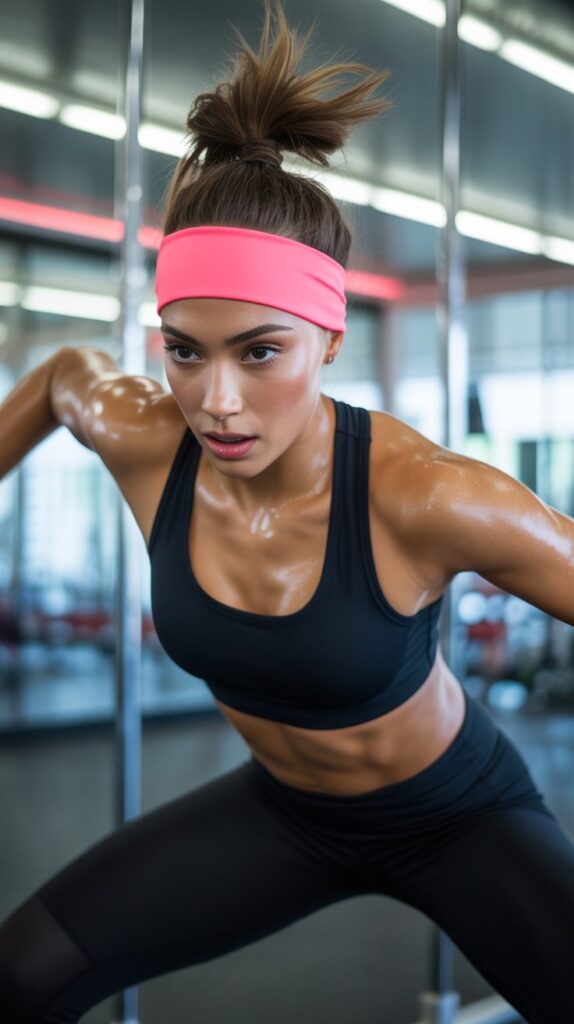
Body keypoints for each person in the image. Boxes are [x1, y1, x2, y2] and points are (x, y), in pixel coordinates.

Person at [1, 2, 574, 1021]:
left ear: (328, 339)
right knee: (20, 970)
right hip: (283, 811)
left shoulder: (425, 493)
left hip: (457, 814)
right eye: (186, 349)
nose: (217, 400)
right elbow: (62, 378)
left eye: (260, 351)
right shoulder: (145, 440)